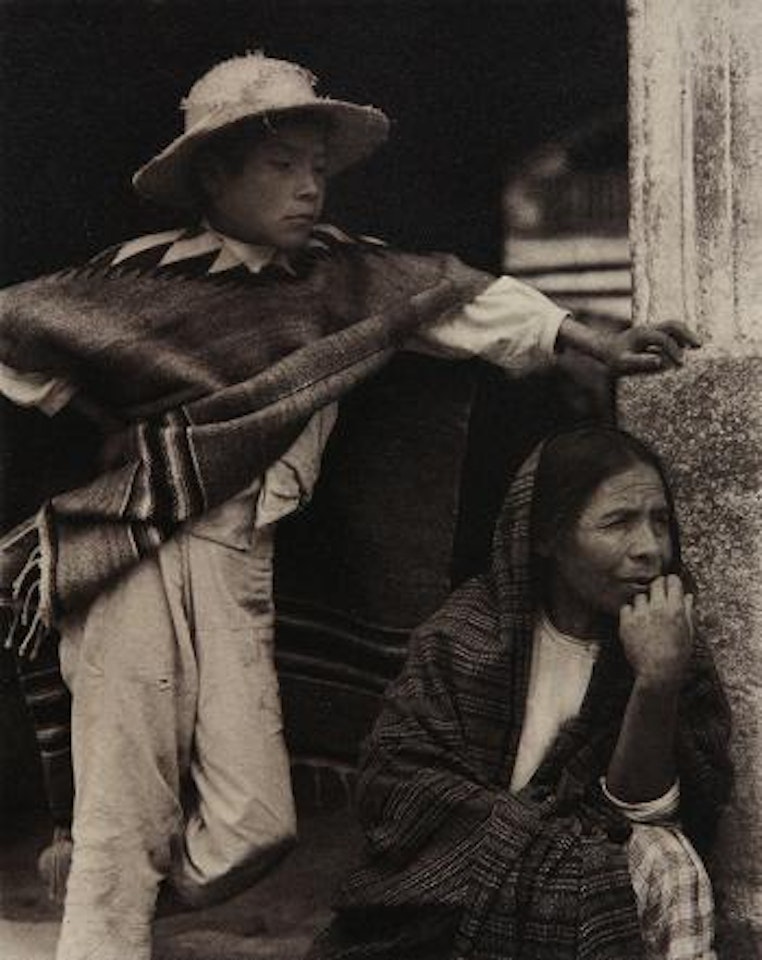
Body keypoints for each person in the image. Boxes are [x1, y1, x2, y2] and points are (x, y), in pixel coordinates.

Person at [0, 53, 698, 960]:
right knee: (126, 802)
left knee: (255, 822)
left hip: (238, 555)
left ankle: (81, 905)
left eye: (317, 168)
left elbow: (463, 300)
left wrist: (588, 338)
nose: (307, 188)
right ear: (213, 174)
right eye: (281, 166)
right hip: (132, 547)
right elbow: (21, 340)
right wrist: (119, 422)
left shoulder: (345, 276)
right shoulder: (140, 276)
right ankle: (100, 912)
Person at [308, 424, 732, 960]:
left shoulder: (670, 643)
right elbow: (398, 789)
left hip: (589, 879)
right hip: (448, 899)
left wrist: (656, 681)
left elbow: (642, 816)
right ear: (545, 536)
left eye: (661, 521)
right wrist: (543, 851)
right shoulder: (463, 637)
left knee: (668, 863)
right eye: (619, 522)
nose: (650, 549)